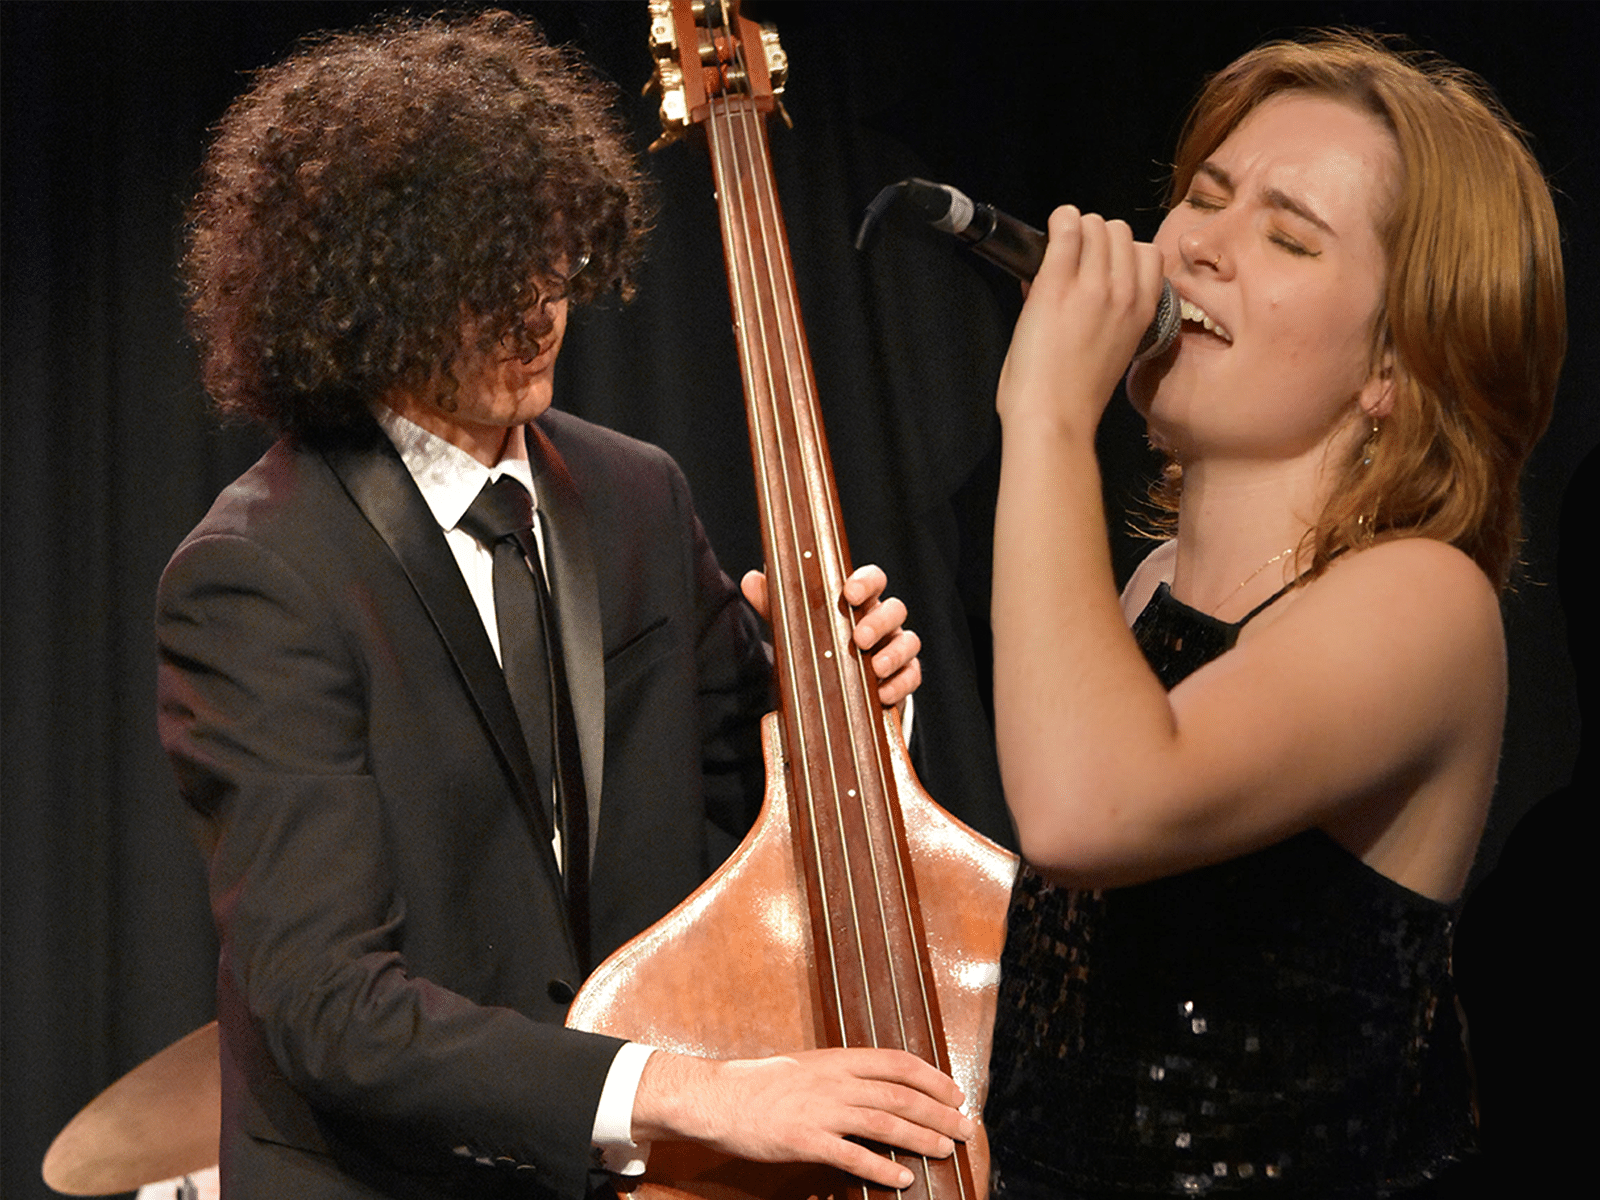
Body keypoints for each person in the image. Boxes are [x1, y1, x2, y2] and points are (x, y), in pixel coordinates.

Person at [159, 11, 972, 1199]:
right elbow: (331, 1008)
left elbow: (750, 817)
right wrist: (682, 1088)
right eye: (483, 276)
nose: (536, 305)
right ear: (363, 294)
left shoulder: (637, 492)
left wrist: (838, 709)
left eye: (549, 259)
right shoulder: (256, 575)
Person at [980, 30, 1564, 1199]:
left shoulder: (1423, 600)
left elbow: (1090, 807)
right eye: (1202, 196)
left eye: (1287, 235)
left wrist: (1045, 414)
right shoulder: (1146, 594)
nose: (1198, 244)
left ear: (1394, 367)